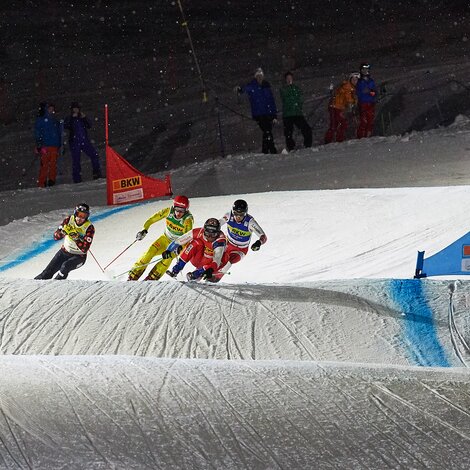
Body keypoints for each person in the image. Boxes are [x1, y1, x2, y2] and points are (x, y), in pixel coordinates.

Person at [128, 195, 193, 281]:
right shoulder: (168, 211)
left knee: (167, 259)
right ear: (173, 207)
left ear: (186, 210)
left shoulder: (188, 220)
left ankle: (151, 279)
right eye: (177, 209)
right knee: (149, 252)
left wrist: (180, 247)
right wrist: (144, 229)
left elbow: (187, 238)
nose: (178, 213)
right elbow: (152, 219)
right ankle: (133, 275)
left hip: (176, 244)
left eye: (182, 211)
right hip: (164, 239)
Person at [35, 203, 94, 280]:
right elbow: (56, 237)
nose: (80, 218)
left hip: (79, 256)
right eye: (79, 215)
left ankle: (55, 285)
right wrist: (62, 233)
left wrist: (75, 238)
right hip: (64, 252)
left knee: (65, 267)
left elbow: (84, 249)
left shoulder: (89, 228)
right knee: (47, 273)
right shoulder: (68, 220)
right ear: (75, 213)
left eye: (84, 216)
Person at [214, 199, 267, 282]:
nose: (238, 217)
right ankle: (199, 274)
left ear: (245, 213)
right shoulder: (229, 215)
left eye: (241, 215)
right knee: (217, 256)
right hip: (228, 244)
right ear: (233, 211)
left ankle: (216, 278)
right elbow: (218, 223)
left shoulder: (250, 222)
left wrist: (258, 243)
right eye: (236, 214)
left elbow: (263, 236)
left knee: (231, 259)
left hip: (241, 249)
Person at [164, 218, 227, 282]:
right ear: (204, 230)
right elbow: (180, 240)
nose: (209, 237)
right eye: (207, 234)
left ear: (218, 233)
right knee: (196, 242)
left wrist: (210, 269)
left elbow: (217, 261)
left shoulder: (220, 241)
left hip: (212, 264)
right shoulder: (198, 232)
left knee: (225, 256)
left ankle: (196, 275)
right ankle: (176, 269)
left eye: (213, 234)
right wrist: (168, 250)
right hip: (198, 259)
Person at [236, 67, 278, 154]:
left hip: (269, 114)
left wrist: (274, 115)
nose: (259, 77)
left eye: (261, 75)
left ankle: (265, 151)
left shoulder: (267, 86)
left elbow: (271, 101)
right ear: (255, 76)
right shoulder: (252, 86)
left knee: (267, 133)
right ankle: (273, 150)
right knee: (267, 131)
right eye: (258, 75)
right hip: (259, 114)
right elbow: (244, 89)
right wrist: (239, 89)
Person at [64, 102, 102, 183]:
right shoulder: (69, 117)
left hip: (84, 141)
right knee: (76, 160)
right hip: (74, 142)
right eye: (74, 108)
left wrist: (85, 118)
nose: (76, 110)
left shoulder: (82, 117)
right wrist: (71, 118)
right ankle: (77, 179)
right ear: (72, 110)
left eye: (77, 108)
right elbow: (66, 125)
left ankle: (96, 174)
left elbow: (89, 125)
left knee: (94, 155)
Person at [279, 71, 312, 151]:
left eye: (290, 78)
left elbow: (300, 99)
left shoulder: (296, 88)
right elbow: (287, 99)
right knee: (288, 133)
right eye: (288, 78)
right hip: (288, 114)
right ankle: (291, 148)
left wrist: (299, 105)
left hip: (297, 113)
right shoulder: (283, 89)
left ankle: (308, 145)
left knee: (307, 129)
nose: (289, 80)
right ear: (285, 79)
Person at [324, 73, 359, 144]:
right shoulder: (348, 86)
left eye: (357, 80)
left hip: (337, 107)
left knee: (335, 124)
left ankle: (331, 139)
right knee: (341, 123)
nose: (355, 81)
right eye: (354, 79)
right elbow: (348, 98)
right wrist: (353, 102)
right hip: (336, 107)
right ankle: (337, 139)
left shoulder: (350, 87)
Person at [34, 102, 62, 187]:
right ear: (46, 109)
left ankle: (51, 181)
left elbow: (58, 133)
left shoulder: (54, 120)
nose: (51, 110)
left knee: (53, 164)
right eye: (50, 109)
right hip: (45, 146)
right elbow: (38, 132)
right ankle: (41, 183)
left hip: (54, 146)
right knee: (45, 165)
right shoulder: (41, 119)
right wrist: (39, 143)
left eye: (53, 109)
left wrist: (60, 145)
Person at [356, 63, 377, 139]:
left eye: (366, 69)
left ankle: (368, 136)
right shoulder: (359, 81)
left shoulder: (371, 80)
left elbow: (374, 92)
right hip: (363, 104)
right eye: (363, 69)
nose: (365, 71)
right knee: (363, 121)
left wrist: (370, 92)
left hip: (370, 103)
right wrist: (366, 92)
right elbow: (358, 92)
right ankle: (361, 137)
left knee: (370, 120)